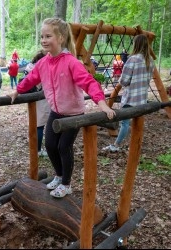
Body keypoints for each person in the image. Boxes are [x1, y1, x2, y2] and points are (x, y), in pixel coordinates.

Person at [8, 17, 115, 198]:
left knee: (64, 147)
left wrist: (102, 104)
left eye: (48, 36)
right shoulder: (43, 63)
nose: (43, 40)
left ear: (61, 38)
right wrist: (17, 91)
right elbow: (31, 79)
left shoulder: (71, 62)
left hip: (73, 114)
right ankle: (58, 176)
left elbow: (89, 83)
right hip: (56, 112)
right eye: (42, 36)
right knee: (50, 145)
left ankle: (66, 184)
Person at [102, 34, 155, 152]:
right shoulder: (150, 60)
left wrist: (123, 79)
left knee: (124, 123)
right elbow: (149, 78)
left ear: (136, 44)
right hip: (142, 98)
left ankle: (116, 145)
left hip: (131, 98)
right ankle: (135, 145)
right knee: (137, 121)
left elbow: (124, 81)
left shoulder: (133, 59)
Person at [21, 50, 50, 157]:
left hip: (31, 98)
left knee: (36, 123)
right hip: (41, 98)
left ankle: (35, 148)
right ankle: (37, 150)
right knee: (40, 125)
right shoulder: (41, 67)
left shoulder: (29, 66)